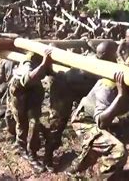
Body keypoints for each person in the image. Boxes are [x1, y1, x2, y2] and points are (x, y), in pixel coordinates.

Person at [44, 41, 118, 170]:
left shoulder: (107, 63)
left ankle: (97, 146)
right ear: (106, 54)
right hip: (64, 88)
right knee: (58, 124)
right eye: (114, 53)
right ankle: (47, 158)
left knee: (94, 116)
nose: (117, 55)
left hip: (81, 90)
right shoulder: (95, 66)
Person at [8, 50, 53, 170]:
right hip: (20, 91)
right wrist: (44, 64)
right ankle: (23, 148)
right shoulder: (28, 63)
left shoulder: (39, 59)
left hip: (33, 90)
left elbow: (50, 73)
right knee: (22, 123)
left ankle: (31, 153)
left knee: (34, 122)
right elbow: (27, 80)